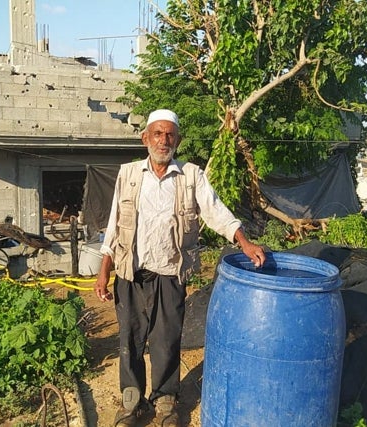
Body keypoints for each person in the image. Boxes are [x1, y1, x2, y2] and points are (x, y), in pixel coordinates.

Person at [93, 109, 267, 427]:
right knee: (130, 339)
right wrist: (104, 269)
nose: (164, 140)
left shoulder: (191, 176)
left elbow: (216, 211)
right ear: (146, 138)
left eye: (170, 134)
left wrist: (244, 242)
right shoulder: (128, 174)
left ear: (178, 140)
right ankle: (132, 402)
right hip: (131, 273)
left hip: (170, 274)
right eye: (157, 133)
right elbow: (114, 224)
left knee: (167, 340)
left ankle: (164, 401)